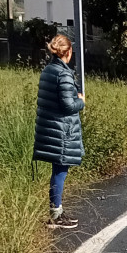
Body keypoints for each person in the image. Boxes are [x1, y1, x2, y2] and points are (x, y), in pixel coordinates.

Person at [33, 34, 85, 229]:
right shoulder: (63, 74)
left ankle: (58, 211)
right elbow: (67, 105)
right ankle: (56, 214)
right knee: (60, 170)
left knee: (58, 170)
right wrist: (81, 101)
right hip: (61, 131)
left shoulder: (48, 70)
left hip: (49, 128)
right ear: (68, 52)